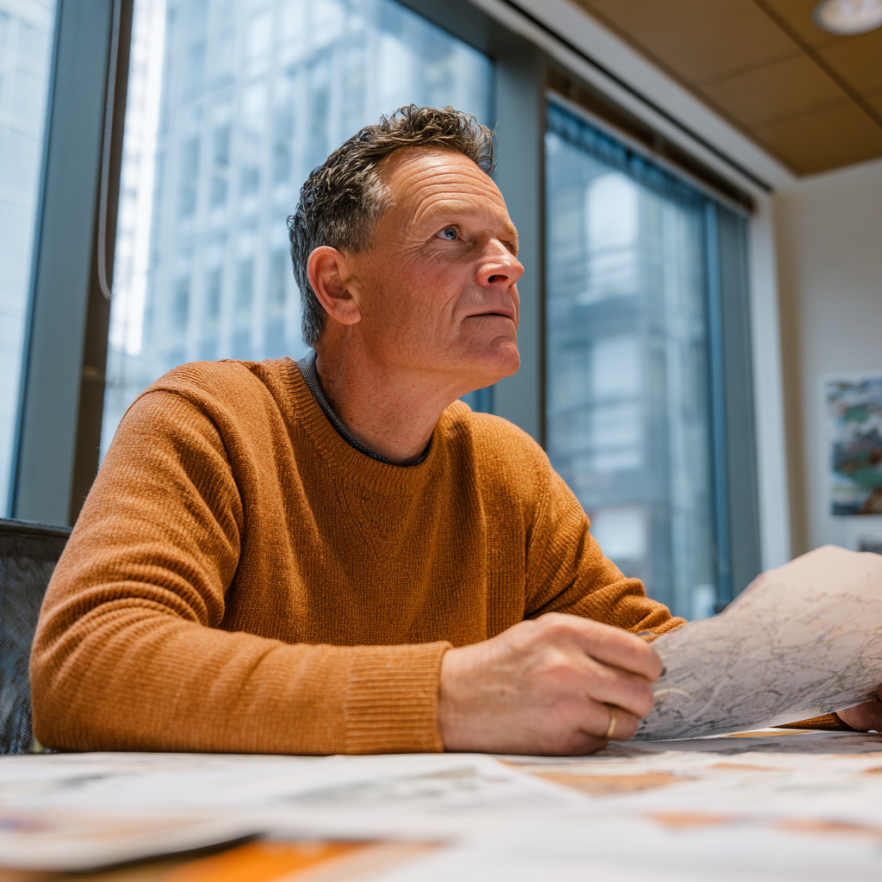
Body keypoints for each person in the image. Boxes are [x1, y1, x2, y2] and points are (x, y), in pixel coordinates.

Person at [30, 106, 881, 756]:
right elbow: (85, 664)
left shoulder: (506, 468)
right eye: (453, 237)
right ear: (339, 288)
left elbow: (652, 663)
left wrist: (829, 686)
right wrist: (446, 694)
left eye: (506, 244)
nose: (508, 266)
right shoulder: (208, 418)